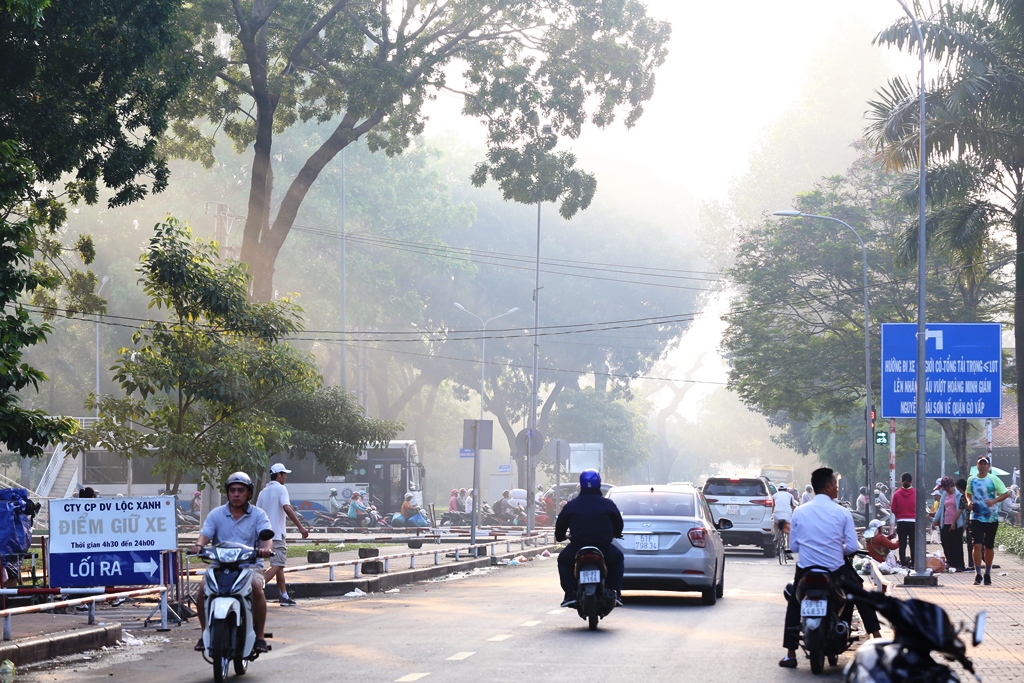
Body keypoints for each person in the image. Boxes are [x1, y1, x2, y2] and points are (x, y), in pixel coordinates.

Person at [779, 467, 881, 669]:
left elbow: (795, 546)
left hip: (806, 570)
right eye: (835, 484)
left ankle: (790, 654)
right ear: (827, 486)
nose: (837, 487)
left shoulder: (799, 512)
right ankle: (877, 640)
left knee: (794, 603)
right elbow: (852, 547)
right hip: (835, 570)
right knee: (859, 593)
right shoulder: (842, 512)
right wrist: (836, 547)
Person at [190, 472, 273, 654]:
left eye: (240, 491)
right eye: (232, 490)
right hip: (220, 566)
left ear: (248, 494)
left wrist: (266, 548)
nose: (236, 494)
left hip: (249, 566)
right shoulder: (216, 514)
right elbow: (205, 534)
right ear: (227, 493)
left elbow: (266, 535)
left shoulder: (258, 515)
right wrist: (199, 545)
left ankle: (259, 637)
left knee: (256, 589)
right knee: (202, 590)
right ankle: (205, 634)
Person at [554, 469, 624, 608]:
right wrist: (616, 533)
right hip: (604, 548)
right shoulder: (608, 504)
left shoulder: (572, 505)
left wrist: (561, 537)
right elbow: (618, 524)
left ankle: (569, 594)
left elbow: (560, 526)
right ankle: (615, 591)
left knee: (563, 560)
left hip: (577, 548)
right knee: (617, 559)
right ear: (599, 484)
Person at [256, 463, 309, 606]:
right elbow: (287, 508)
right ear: (278, 475)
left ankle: (284, 595)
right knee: (278, 563)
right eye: (284, 474)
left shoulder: (263, 492)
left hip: (264, 535)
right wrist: (301, 527)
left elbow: (257, 514)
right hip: (277, 535)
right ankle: (254, 589)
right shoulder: (281, 489)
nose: (286, 477)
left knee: (278, 566)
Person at [966, 455, 1011, 585]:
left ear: (988, 466)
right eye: (980, 463)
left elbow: (1006, 493)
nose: (983, 466)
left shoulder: (994, 479)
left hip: (991, 517)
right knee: (977, 544)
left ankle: (987, 573)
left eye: (985, 464)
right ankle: (978, 573)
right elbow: (968, 492)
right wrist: (969, 501)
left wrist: (994, 501)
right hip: (976, 516)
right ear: (977, 465)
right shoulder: (971, 479)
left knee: (989, 546)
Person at [932, 475, 966, 571]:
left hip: (957, 523)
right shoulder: (944, 495)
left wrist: (965, 522)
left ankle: (959, 565)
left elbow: (962, 510)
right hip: (945, 522)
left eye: (949, 488)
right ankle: (950, 563)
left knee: (957, 544)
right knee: (947, 544)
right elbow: (940, 509)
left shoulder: (959, 494)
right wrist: (935, 520)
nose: (947, 490)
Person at [890, 472, 916, 568]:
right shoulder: (916, 493)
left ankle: (903, 563)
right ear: (911, 482)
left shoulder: (896, 494)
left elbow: (893, 509)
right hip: (913, 522)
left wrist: (899, 515)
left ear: (901, 482)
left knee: (902, 544)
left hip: (901, 522)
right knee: (913, 544)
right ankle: (914, 563)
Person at [772, 484, 798, 559]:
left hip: (777, 514)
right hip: (787, 516)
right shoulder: (790, 496)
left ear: (778, 489)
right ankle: (788, 551)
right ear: (786, 489)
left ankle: (776, 535)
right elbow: (793, 506)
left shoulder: (774, 495)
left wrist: (772, 514)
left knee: (775, 523)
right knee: (789, 532)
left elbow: (773, 507)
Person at [956, 478, 974, 570]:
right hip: (969, 523)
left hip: (976, 522)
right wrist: (953, 522)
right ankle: (971, 564)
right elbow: (959, 510)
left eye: (959, 489)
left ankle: (980, 562)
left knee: (978, 544)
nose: (958, 491)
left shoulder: (971, 496)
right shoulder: (963, 497)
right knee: (970, 544)